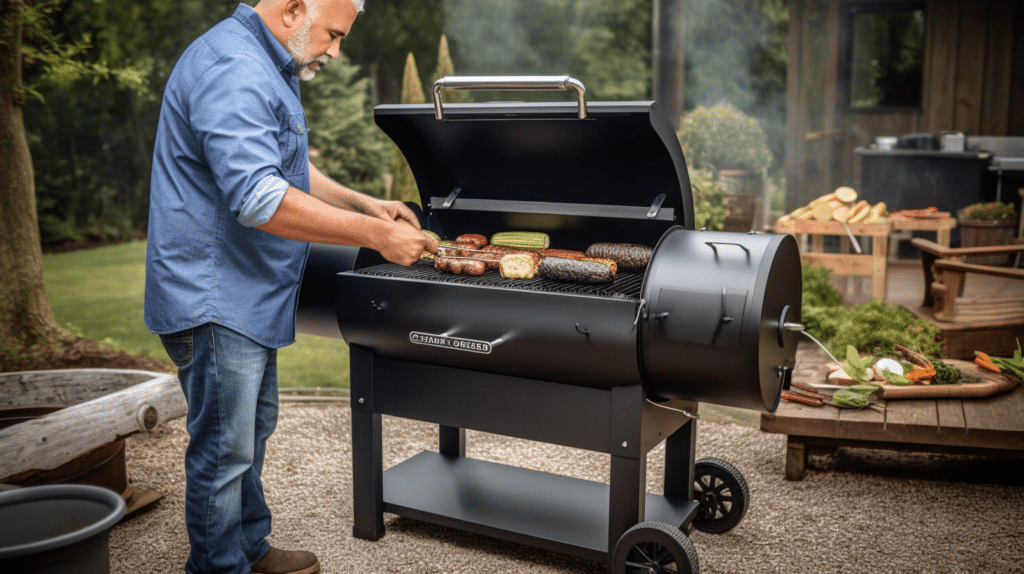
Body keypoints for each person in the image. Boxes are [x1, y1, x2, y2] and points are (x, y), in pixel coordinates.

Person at [144, 1, 435, 573]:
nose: (335, 51)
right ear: (294, 8)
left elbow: (284, 164)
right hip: (214, 296)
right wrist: (376, 235)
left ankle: (248, 547)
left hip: (243, 295)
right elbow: (259, 197)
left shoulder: (261, 58)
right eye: (333, 34)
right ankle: (218, 566)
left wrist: (362, 202)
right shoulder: (233, 67)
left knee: (248, 435)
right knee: (225, 451)